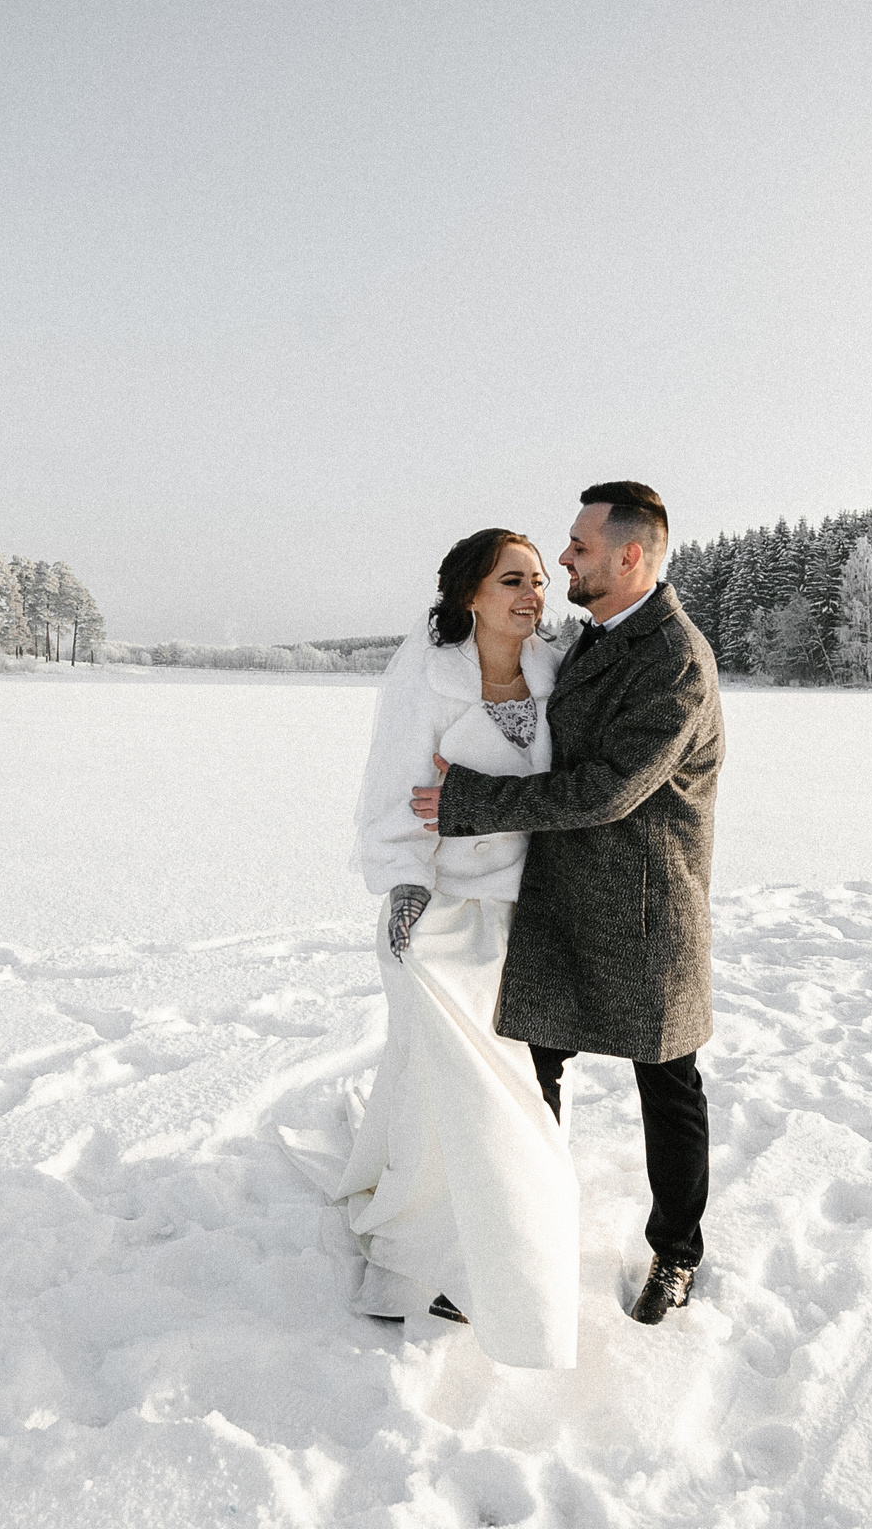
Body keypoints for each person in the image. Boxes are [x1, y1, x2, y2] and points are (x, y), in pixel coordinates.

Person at [409, 481, 723, 1325]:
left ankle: (677, 1254)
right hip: (560, 897)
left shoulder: (675, 660)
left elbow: (609, 789)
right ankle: (518, 1248)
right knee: (531, 1075)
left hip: (646, 911)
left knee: (667, 1082)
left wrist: (474, 801)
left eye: (579, 547)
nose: (564, 560)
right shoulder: (588, 638)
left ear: (630, 556)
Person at [333, 526, 580, 1369]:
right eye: (513, 579)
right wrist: (403, 888)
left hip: (528, 912)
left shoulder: (555, 670)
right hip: (438, 915)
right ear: (469, 593)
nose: (533, 594)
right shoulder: (427, 675)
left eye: (541, 580)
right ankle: (425, 1257)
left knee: (513, 1083)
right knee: (444, 1085)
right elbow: (389, 794)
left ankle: (514, 1235)